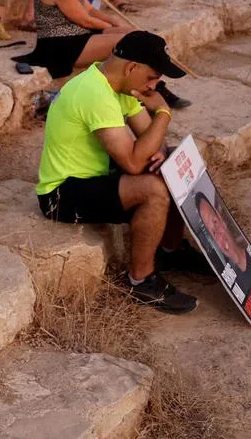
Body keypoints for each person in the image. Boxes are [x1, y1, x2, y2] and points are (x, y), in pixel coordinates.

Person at [36, 31, 206, 314]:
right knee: (154, 190)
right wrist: (163, 113)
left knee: (175, 160)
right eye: (152, 78)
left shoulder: (118, 85)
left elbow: (152, 145)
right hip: (62, 193)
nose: (154, 86)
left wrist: (162, 151)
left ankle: (170, 251)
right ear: (131, 67)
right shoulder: (94, 93)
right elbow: (134, 163)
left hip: (96, 175)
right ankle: (141, 280)